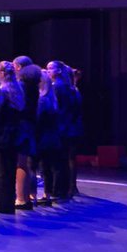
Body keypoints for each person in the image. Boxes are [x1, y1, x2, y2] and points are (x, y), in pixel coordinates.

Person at [0, 62, 24, 215]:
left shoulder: (3, 90)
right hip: (14, 135)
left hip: (3, 136)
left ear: (3, 73)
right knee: (10, 171)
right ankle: (8, 204)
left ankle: (2, 206)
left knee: (0, 171)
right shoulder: (17, 89)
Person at [48, 60, 82, 199]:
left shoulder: (58, 87)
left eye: (50, 69)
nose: (47, 71)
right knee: (67, 159)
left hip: (63, 127)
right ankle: (69, 188)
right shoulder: (71, 88)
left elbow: (59, 109)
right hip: (69, 126)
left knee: (61, 160)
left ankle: (60, 190)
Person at [14, 56, 41, 210]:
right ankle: (30, 196)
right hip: (29, 125)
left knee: (21, 163)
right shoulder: (34, 84)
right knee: (28, 164)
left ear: (19, 67)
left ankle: (21, 199)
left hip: (22, 126)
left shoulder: (22, 85)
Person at [35, 72, 62, 207]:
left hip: (44, 138)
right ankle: (49, 194)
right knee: (49, 167)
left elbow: (38, 120)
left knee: (44, 168)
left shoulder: (42, 100)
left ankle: (45, 194)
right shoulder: (52, 99)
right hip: (53, 137)